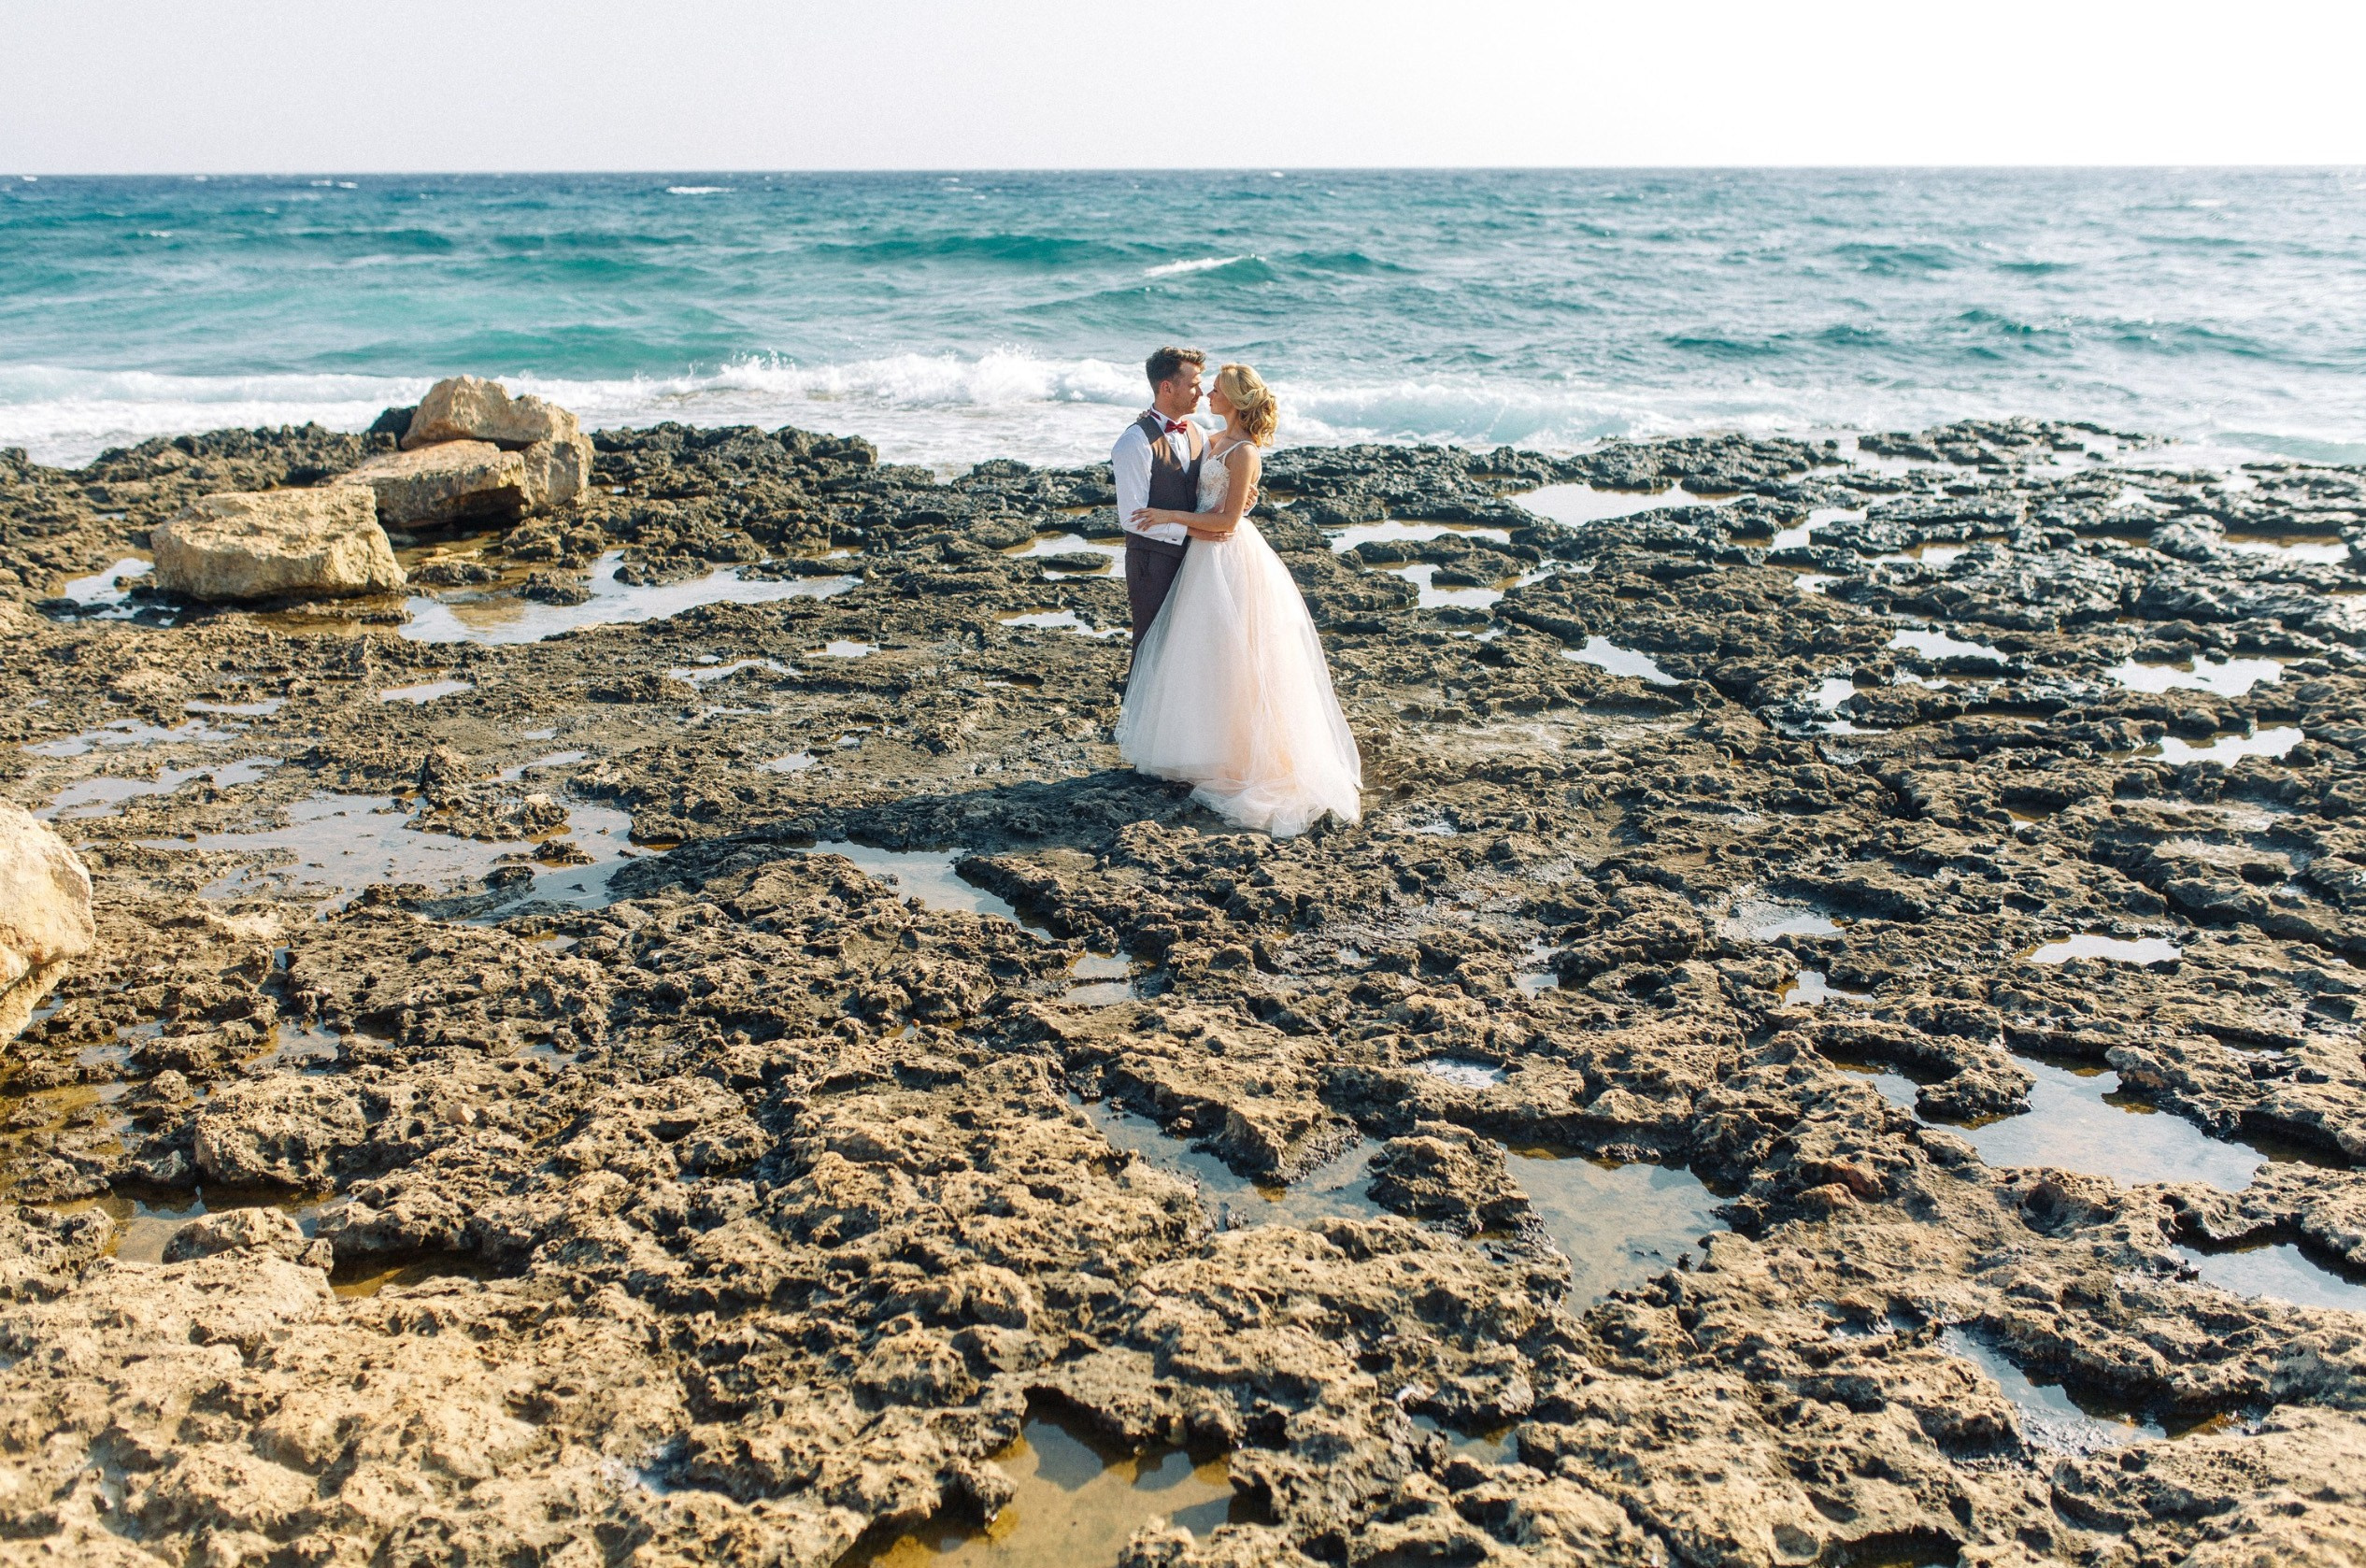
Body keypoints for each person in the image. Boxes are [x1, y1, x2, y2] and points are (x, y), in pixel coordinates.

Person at [1114, 363, 1362, 838]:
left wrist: (1168, 515)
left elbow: (1227, 522)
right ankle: (1204, 745)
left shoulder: (1245, 451)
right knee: (1205, 655)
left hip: (1228, 557)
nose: (1207, 393)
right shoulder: (1211, 439)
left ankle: (1244, 755)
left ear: (1234, 398)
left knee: (1241, 656)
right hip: (1201, 560)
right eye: (1202, 386)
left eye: (1216, 389)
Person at [1110, 345, 1208, 645]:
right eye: (1193, 385)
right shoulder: (1133, 442)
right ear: (1166, 387)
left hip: (1196, 560)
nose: (1200, 393)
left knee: (1187, 648)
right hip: (1151, 563)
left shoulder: (1199, 433)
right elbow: (1131, 518)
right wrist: (1193, 529)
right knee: (1151, 644)